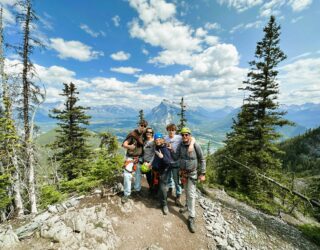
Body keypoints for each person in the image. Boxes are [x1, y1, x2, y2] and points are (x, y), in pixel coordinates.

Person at [173, 127, 206, 233]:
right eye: (182, 135)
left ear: (190, 135)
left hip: (192, 173)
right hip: (183, 173)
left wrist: (203, 173)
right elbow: (175, 156)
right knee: (186, 191)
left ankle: (192, 217)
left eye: (186, 134)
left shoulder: (195, 145)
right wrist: (170, 148)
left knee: (191, 194)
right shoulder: (180, 145)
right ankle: (187, 206)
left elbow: (202, 159)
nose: (184, 136)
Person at [164, 123, 194, 207]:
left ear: (175, 131)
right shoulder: (165, 138)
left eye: (173, 130)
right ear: (167, 130)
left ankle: (178, 195)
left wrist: (191, 144)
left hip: (176, 163)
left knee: (177, 180)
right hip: (167, 162)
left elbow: (191, 138)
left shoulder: (179, 137)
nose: (171, 131)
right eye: (169, 130)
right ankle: (170, 189)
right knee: (169, 178)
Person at [121, 120, 148, 203]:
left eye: (144, 126)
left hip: (139, 158)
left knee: (138, 175)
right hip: (130, 158)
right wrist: (130, 146)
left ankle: (137, 190)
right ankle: (126, 194)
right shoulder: (133, 134)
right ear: (138, 125)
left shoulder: (145, 135)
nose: (142, 127)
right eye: (141, 125)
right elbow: (124, 144)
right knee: (127, 175)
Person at [152, 132, 173, 215]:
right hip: (158, 170)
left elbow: (168, 162)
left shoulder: (164, 148)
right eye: (156, 139)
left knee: (163, 188)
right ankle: (160, 201)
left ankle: (164, 205)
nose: (157, 141)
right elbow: (156, 159)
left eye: (159, 139)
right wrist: (152, 165)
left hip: (164, 171)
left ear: (161, 140)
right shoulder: (158, 147)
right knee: (159, 186)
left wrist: (162, 157)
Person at [142, 127, 155, 193]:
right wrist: (144, 161)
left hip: (151, 163)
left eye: (150, 132)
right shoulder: (144, 141)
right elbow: (143, 152)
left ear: (152, 134)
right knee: (148, 177)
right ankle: (151, 188)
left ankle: (154, 190)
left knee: (153, 177)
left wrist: (150, 163)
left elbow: (155, 153)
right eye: (147, 132)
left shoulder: (154, 142)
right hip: (145, 162)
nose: (148, 133)